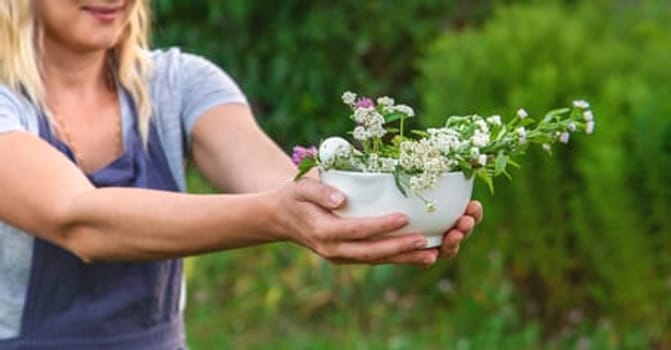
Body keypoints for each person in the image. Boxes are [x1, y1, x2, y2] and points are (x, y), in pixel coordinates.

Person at [0, 0, 484, 348]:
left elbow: (281, 185)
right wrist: (279, 217)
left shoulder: (181, 84)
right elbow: (80, 222)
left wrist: (396, 211)